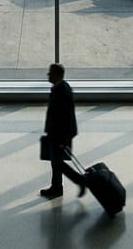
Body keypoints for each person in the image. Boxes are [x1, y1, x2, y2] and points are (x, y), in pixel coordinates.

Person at [40, 63, 86, 200]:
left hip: (60, 134)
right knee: (56, 162)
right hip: (59, 133)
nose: (48, 75)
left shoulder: (61, 91)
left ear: (56, 74)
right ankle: (57, 187)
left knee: (57, 162)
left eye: (50, 73)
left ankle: (77, 181)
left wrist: (61, 137)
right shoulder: (61, 88)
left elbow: (63, 117)